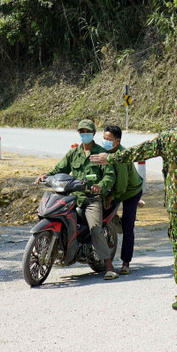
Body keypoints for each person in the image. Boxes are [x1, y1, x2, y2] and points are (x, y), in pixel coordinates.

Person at [91, 92, 177, 312]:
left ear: (176, 113)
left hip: (176, 205)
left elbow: (138, 151)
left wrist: (111, 157)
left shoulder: (167, 137)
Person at [36, 119, 119, 280]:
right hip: (72, 197)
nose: (84, 134)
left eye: (87, 132)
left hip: (91, 199)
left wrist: (101, 185)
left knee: (95, 228)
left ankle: (109, 266)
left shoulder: (101, 153)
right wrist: (46, 175)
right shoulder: (74, 153)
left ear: (93, 133)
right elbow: (59, 169)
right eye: (81, 132)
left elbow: (110, 175)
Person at [101, 124, 143, 275]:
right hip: (115, 189)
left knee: (127, 226)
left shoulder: (122, 157)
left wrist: (111, 197)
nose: (105, 141)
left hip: (131, 191)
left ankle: (126, 262)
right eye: (104, 138)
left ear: (117, 142)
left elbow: (122, 186)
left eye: (108, 139)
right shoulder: (103, 153)